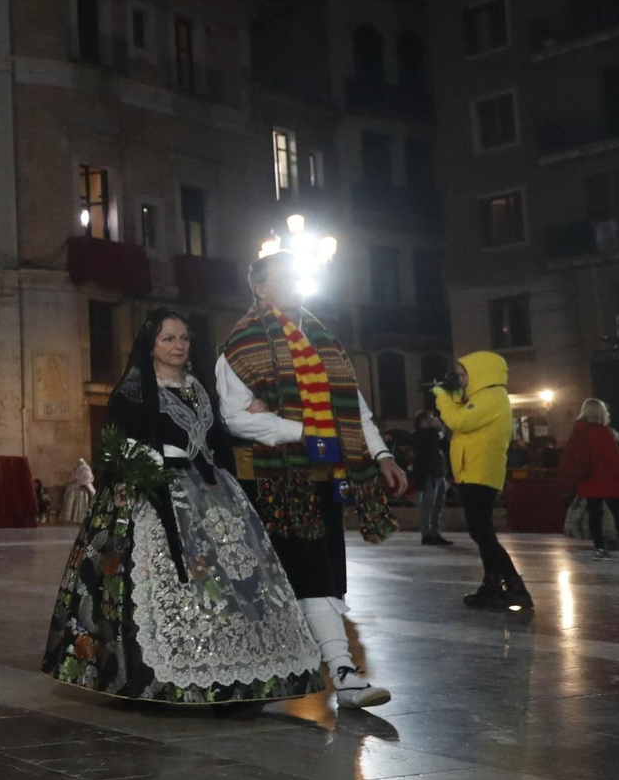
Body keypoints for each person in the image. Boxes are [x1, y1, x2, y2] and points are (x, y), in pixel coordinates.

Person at [43, 310, 323, 704]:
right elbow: (119, 442)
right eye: (168, 339)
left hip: (212, 492)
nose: (178, 346)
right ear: (151, 346)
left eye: (184, 339)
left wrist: (252, 414)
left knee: (234, 582)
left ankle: (237, 672)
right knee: (163, 582)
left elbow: (221, 433)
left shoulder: (199, 386)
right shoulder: (133, 390)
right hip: (154, 493)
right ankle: (165, 678)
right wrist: (129, 479)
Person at [218, 252, 409, 710]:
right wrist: (304, 432)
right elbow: (236, 419)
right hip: (272, 484)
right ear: (259, 289)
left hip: (322, 480)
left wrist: (381, 453)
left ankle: (334, 671)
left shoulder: (326, 343)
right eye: (282, 279)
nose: (294, 285)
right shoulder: (241, 346)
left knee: (319, 575)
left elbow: (353, 408)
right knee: (281, 581)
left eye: (297, 277)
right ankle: (316, 673)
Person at [432, 353, 523, 610]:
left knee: (481, 531)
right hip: (473, 471)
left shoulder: (492, 397)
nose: (461, 379)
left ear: (480, 373)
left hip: (480, 472)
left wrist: (441, 396)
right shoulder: (483, 397)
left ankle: (515, 586)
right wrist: (450, 393)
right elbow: (462, 409)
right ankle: (492, 584)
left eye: (464, 374)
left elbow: (460, 419)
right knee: (481, 531)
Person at [559, 399, 619, 559]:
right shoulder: (602, 432)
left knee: (594, 515)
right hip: (607, 480)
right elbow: (614, 459)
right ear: (601, 412)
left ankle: (599, 548)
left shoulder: (578, 431)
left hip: (587, 479)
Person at [409, 410, 455, 546]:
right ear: (422, 421)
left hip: (439, 473)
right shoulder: (417, 435)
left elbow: (447, 447)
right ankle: (426, 534)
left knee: (438, 505)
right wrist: (438, 431)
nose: (434, 419)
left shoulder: (435, 434)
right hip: (427, 474)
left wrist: (440, 432)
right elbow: (427, 446)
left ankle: (435, 533)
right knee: (428, 504)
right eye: (431, 418)